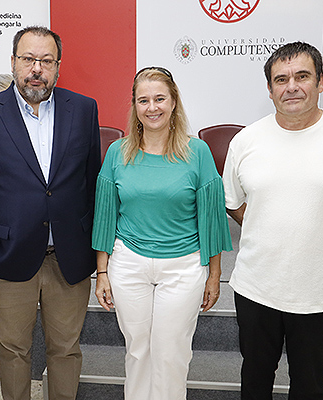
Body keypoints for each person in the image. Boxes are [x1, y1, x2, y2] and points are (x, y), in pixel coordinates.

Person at [222, 42, 323, 399]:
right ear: (269, 89)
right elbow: (233, 202)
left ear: (321, 81)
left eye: (302, 76)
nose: (291, 86)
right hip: (256, 288)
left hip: (320, 291)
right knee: (254, 381)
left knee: (309, 386)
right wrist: (269, 226)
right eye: (280, 79)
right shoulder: (246, 141)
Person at [0, 26, 101, 400]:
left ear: (58, 67)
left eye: (46, 61)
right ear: (13, 62)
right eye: (28, 59)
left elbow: (92, 184)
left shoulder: (84, 109)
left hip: (68, 259)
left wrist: (92, 249)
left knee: (66, 351)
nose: (36, 68)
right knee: (13, 353)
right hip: (6, 259)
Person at [92, 67, 233, 400]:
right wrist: (102, 273)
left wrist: (214, 275)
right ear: (135, 106)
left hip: (183, 268)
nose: (152, 107)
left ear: (173, 102)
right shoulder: (117, 152)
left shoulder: (197, 152)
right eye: (143, 100)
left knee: (171, 353)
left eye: (159, 98)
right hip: (128, 265)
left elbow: (211, 218)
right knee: (137, 352)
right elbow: (105, 218)